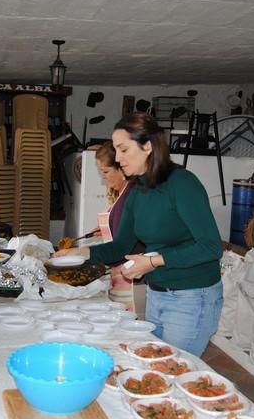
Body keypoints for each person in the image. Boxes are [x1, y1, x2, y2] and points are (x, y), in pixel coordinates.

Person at [56, 112, 223, 357]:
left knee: (172, 369)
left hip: (192, 298)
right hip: (157, 294)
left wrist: (153, 261)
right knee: (154, 365)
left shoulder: (182, 183)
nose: (118, 157)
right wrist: (78, 253)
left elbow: (211, 247)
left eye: (123, 149)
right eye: (116, 150)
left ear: (147, 146)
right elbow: (120, 246)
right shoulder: (138, 190)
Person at [94, 141, 146, 315]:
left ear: (122, 169)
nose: (103, 177)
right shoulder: (121, 194)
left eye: (106, 172)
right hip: (118, 273)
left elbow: (123, 245)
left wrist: (82, 255)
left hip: (130, 278)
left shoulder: (131, 195)